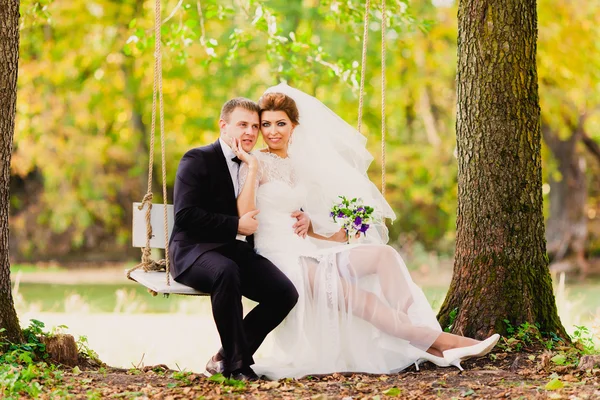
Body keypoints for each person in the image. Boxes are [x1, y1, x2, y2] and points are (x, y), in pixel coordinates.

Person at [230, 84, 499, 379]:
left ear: (294, 126)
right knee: (365, 302)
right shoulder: (255, 162)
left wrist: (315, 225)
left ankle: (418, 332)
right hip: (282, 259)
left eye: (281, 123)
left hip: (307, 250)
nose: (272, 131)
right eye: (266, 124)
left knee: (383, 255)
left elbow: (302, 220)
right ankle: (449, 344)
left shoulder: (298, 165)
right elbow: (244, 214)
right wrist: (253, 167)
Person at [168, 97, 310, 381]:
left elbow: (277, 201)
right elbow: (185, 216)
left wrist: (304, 215)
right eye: (242, 125)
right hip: (193, 251)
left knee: (285, 293)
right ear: (223, 126)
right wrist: (235, 223)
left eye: (254, 127)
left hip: (233, 250)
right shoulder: (198, 159)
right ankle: (237, 367)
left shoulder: (254, 161)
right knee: (226, 271)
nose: (249, 132)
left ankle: (224, 356)